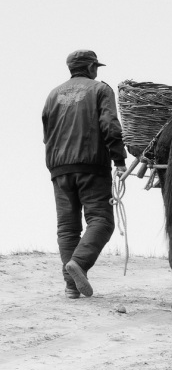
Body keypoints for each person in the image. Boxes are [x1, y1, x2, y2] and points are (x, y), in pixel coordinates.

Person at [42, 49, 127, 299]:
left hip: (58, 168)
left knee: (67, 228)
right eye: (96, 67)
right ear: (91, 68)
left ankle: (71, 287)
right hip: (90, 165)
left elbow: (47, 134)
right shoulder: (100, 90)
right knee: (101, 220)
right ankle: (79, 263)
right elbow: (110, 124)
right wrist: (119, 159)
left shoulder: (52, 94)